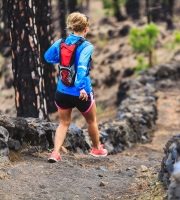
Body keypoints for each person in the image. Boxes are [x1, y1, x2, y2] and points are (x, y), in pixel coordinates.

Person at [44, 12, 107, 162]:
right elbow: (82, 67)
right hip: (81, 92)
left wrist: (62, 58)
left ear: (71, 26)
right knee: (91, 121)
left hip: (62, 90)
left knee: (63, 123)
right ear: (86, 28)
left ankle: (55, 153)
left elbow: (48, 56)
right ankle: (97, 149)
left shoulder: (61, 42)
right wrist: (81, 88)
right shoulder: (86, 46)